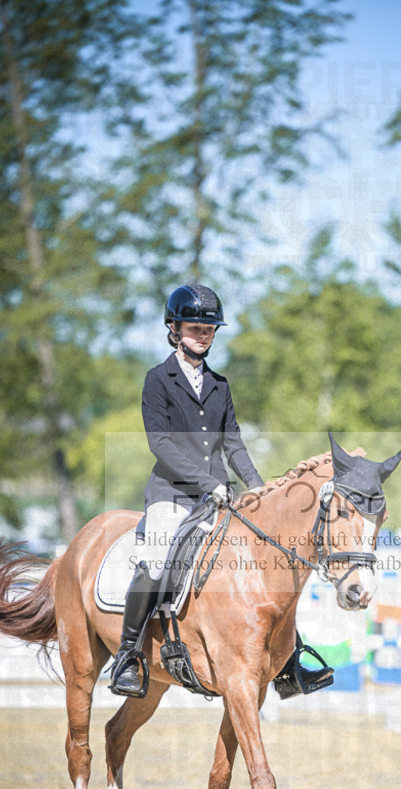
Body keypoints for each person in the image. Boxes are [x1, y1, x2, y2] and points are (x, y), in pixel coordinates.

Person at [110, 283, 264, 697]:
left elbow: (232, 442)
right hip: (173, 494)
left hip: (219, 495)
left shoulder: (220, 384)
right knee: (158, 561)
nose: (204, 334)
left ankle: (285, 660)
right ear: (174, 328)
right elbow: (159, 443)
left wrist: (258, 485)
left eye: (210, 328)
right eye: (195, 327)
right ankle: (127, 655)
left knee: (263, 558)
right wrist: (208, 482)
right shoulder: (157, 380)